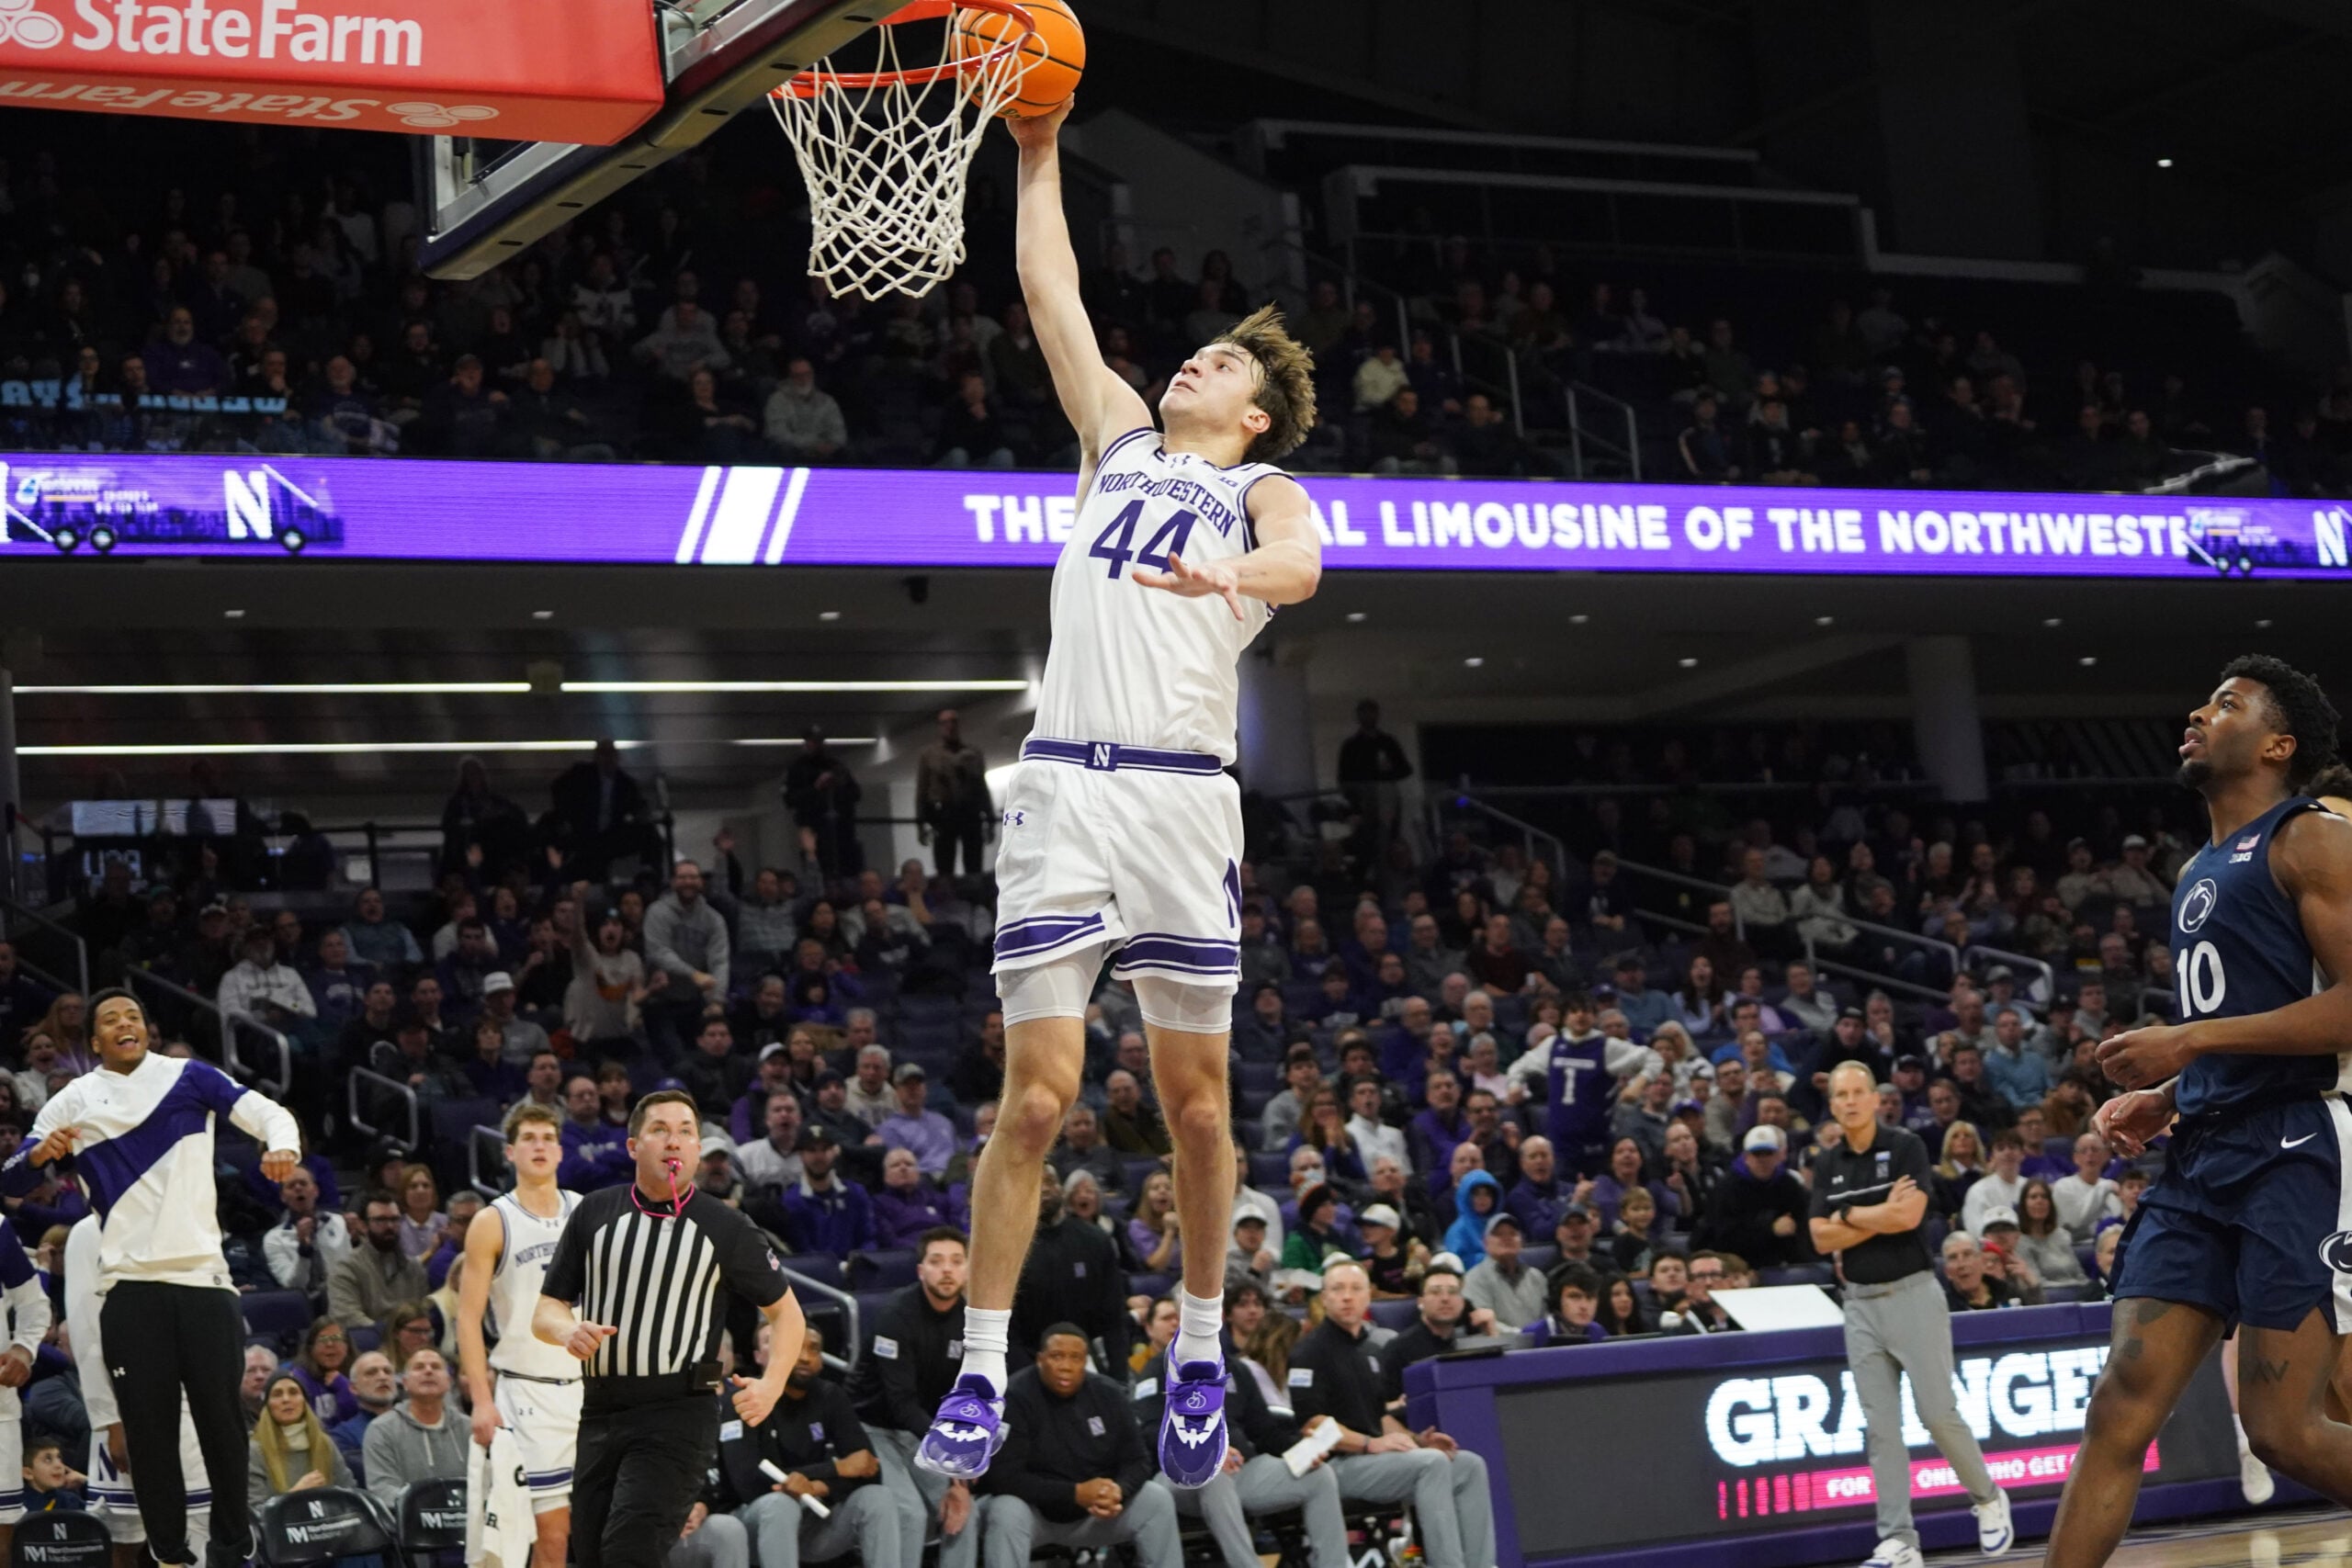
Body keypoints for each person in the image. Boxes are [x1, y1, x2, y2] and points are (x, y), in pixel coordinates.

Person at [921, 102, 1323, 1495]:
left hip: (1175, 801)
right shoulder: (1116, 439)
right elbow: (1052, 292)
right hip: (1058, 793)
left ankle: (1201, 1346)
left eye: (1216, 361)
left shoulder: (1263, 485)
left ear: (1252, 411)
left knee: (1198, 1112)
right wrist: (1035, 154)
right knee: (1032, 1102)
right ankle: (978, 1365)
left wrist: (1232, 578)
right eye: (1195, 350)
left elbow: (1304, 566)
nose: (1189, 362)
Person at [2055, 658, 2352, 1567]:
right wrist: (2172, 1091)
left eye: (2225, 703)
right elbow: (2244, 1031)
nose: (2196, 710)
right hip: (2202, 1157)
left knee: (2284, 1432)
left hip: (2296, 1146)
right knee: (2120, 1400)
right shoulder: (2195, 868)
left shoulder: (2312, 840)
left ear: (2276, 744)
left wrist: (2187, 1044)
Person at [5, 988, 300, 1568]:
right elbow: (12, 1181)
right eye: (110, 1020)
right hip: (129, 1290)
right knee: (149, 1434)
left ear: (147, 1029)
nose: (124, 1024)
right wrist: (41, 1156)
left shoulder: (191, 1077)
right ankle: (169, 1557)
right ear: (93, 1042)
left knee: (222, 1422)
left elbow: (267, 1111)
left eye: (133, 1016)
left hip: (205, 1282)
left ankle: (231, 1550)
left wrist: (283, 1147)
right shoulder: (75, 1100)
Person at [533, 1089, 808, 1568]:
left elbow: (788, 1314)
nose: (674, 1141)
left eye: (686, 1132)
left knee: (628, 1553)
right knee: (592, 1555)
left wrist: (772, 1384)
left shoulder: (726, 1227)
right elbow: (547, 1308)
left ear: (698, 1150)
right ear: (633, 1146)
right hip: (599, 1407)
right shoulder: (595, 1212)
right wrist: (566, 1332)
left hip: (677, 1412)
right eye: (660, 1130)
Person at [1807, 1061, 2011, 1568]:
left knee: (1937, 1412)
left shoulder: (1905, 1147)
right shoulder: (1827, 1161)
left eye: (1859, 1092)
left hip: (1913, 1294)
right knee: (1880, 1429)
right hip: (1858, 1303)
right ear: (1832, 1105)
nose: (1851, 1101)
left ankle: (1988, 1498)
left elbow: (1910, 1216)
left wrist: (1849, 1215)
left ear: (1875, 1099)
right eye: (1841, 1095)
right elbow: (1818, 1236)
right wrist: (1876, 1216)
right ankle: (1899, 1539)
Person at [1288, 1261, 1492, 1568]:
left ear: (1368, 1297)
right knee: (1432, 1465)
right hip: (1337, 1466)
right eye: (1337, 1289)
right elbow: (1311, 1424)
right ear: (1324, 1298)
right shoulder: (1309, 1352)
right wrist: (1370, 1444)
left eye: (1355, 1289)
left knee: (1468, 1465)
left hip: (1375, 1461)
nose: (1347, 1297)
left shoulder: (1370, 1351)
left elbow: (1378, 1416)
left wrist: (1417, 1441)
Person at [459, 1102, 582, 1568]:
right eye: (529, 1138)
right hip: (528, 1394)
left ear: (560, 1150)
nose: (539, 1146)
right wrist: (481, 1400)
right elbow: (468, 1320)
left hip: (588, 1388)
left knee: (602, 1523)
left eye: (548, 1138)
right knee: (549, 1535)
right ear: (510, 1151)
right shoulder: (493, 1221)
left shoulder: (584, 1211)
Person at [1132, 1324, 1349, 1568]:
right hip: (1180, 1474)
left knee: (1319, 1476)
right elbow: (1150, 1431)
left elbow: (1266, 1433)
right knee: (1213, 1475)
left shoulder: (1235, 1369)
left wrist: (1303, 1449)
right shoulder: (1160, 1368)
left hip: (1242, 1470)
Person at [971, 1323, 1181, 1568]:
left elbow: (1137, 1460)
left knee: (1156, 1499)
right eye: (1057, 1356)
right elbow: (1004, 1477)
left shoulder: (1108, 1393)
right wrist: (1075, 1494)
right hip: (1036, 1515)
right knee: (1005, 1509)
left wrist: (1117, 1491)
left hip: (1097, 1515)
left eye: (1075, 1358)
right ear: (1040, 1359)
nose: (1066, 1367)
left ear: (1085, 1362)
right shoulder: (1015, 1396)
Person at [68, 1213, 215, 1556]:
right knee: (125, 1541)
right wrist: (110, 1420)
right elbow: (86, 1331)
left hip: (188, 1397)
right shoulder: (89, 1232)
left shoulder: (187, 1216)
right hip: (127, 1400)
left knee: (198, 1529)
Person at [721, 1324, 899, 1568]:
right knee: (781, 1505)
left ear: (822, 1360)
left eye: (814, 1349)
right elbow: (747, 1482)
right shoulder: (745, 1398)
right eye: (796, 1347)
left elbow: (869, 1470)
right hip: (751, 1527)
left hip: (814, 1525)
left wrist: (816, 1485)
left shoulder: (831, 1396)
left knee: (878, 1498)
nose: (805, 1357)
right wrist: (837, 1469)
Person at [849, 1227, 975, 1568]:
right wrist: (952, 1460)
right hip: (871, 1426)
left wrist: (959, 1477)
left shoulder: (969, 1322)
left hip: (919, 1429)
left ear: (966, 1270)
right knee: (909, 1513)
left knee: (963, 1509)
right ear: (921, 1271)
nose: (947, 1270)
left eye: (956, 1261)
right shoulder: (895, 1316)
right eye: (936, 1262)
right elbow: (900, 1402)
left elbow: (965, 1396)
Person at [361, 1348, 467, 1505]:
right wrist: (436, 1507)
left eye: (436, 1367)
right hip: (411, 1525)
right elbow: (383, 1490)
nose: (428, 1371)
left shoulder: (470, 1427)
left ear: (449, 1381)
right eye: (419, 1367)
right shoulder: (381, 1430)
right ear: (405, 1383)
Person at [246, 1371, 356, 1512]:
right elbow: (255, 1512)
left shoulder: (325, 1444)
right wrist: (296, 1495)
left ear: (305, 1402)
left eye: (293, 1392)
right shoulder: (255, 1451)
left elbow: (350, 1495)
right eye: (277, 1394)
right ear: (267, 1406)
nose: (286, 1399)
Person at [916, 709, 995, 879]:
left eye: (953, 722)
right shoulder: (929, 755)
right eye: (945, 723)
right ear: (939, 727)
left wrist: (990, 819)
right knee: (944, 865)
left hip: (970, 811)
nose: (950, 726)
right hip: (943, 813)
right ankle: (948, 899)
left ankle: (973, 900)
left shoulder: (973, 753)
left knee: (973, 864)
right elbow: (922, 789)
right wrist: (920, 823)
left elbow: (981, 786)